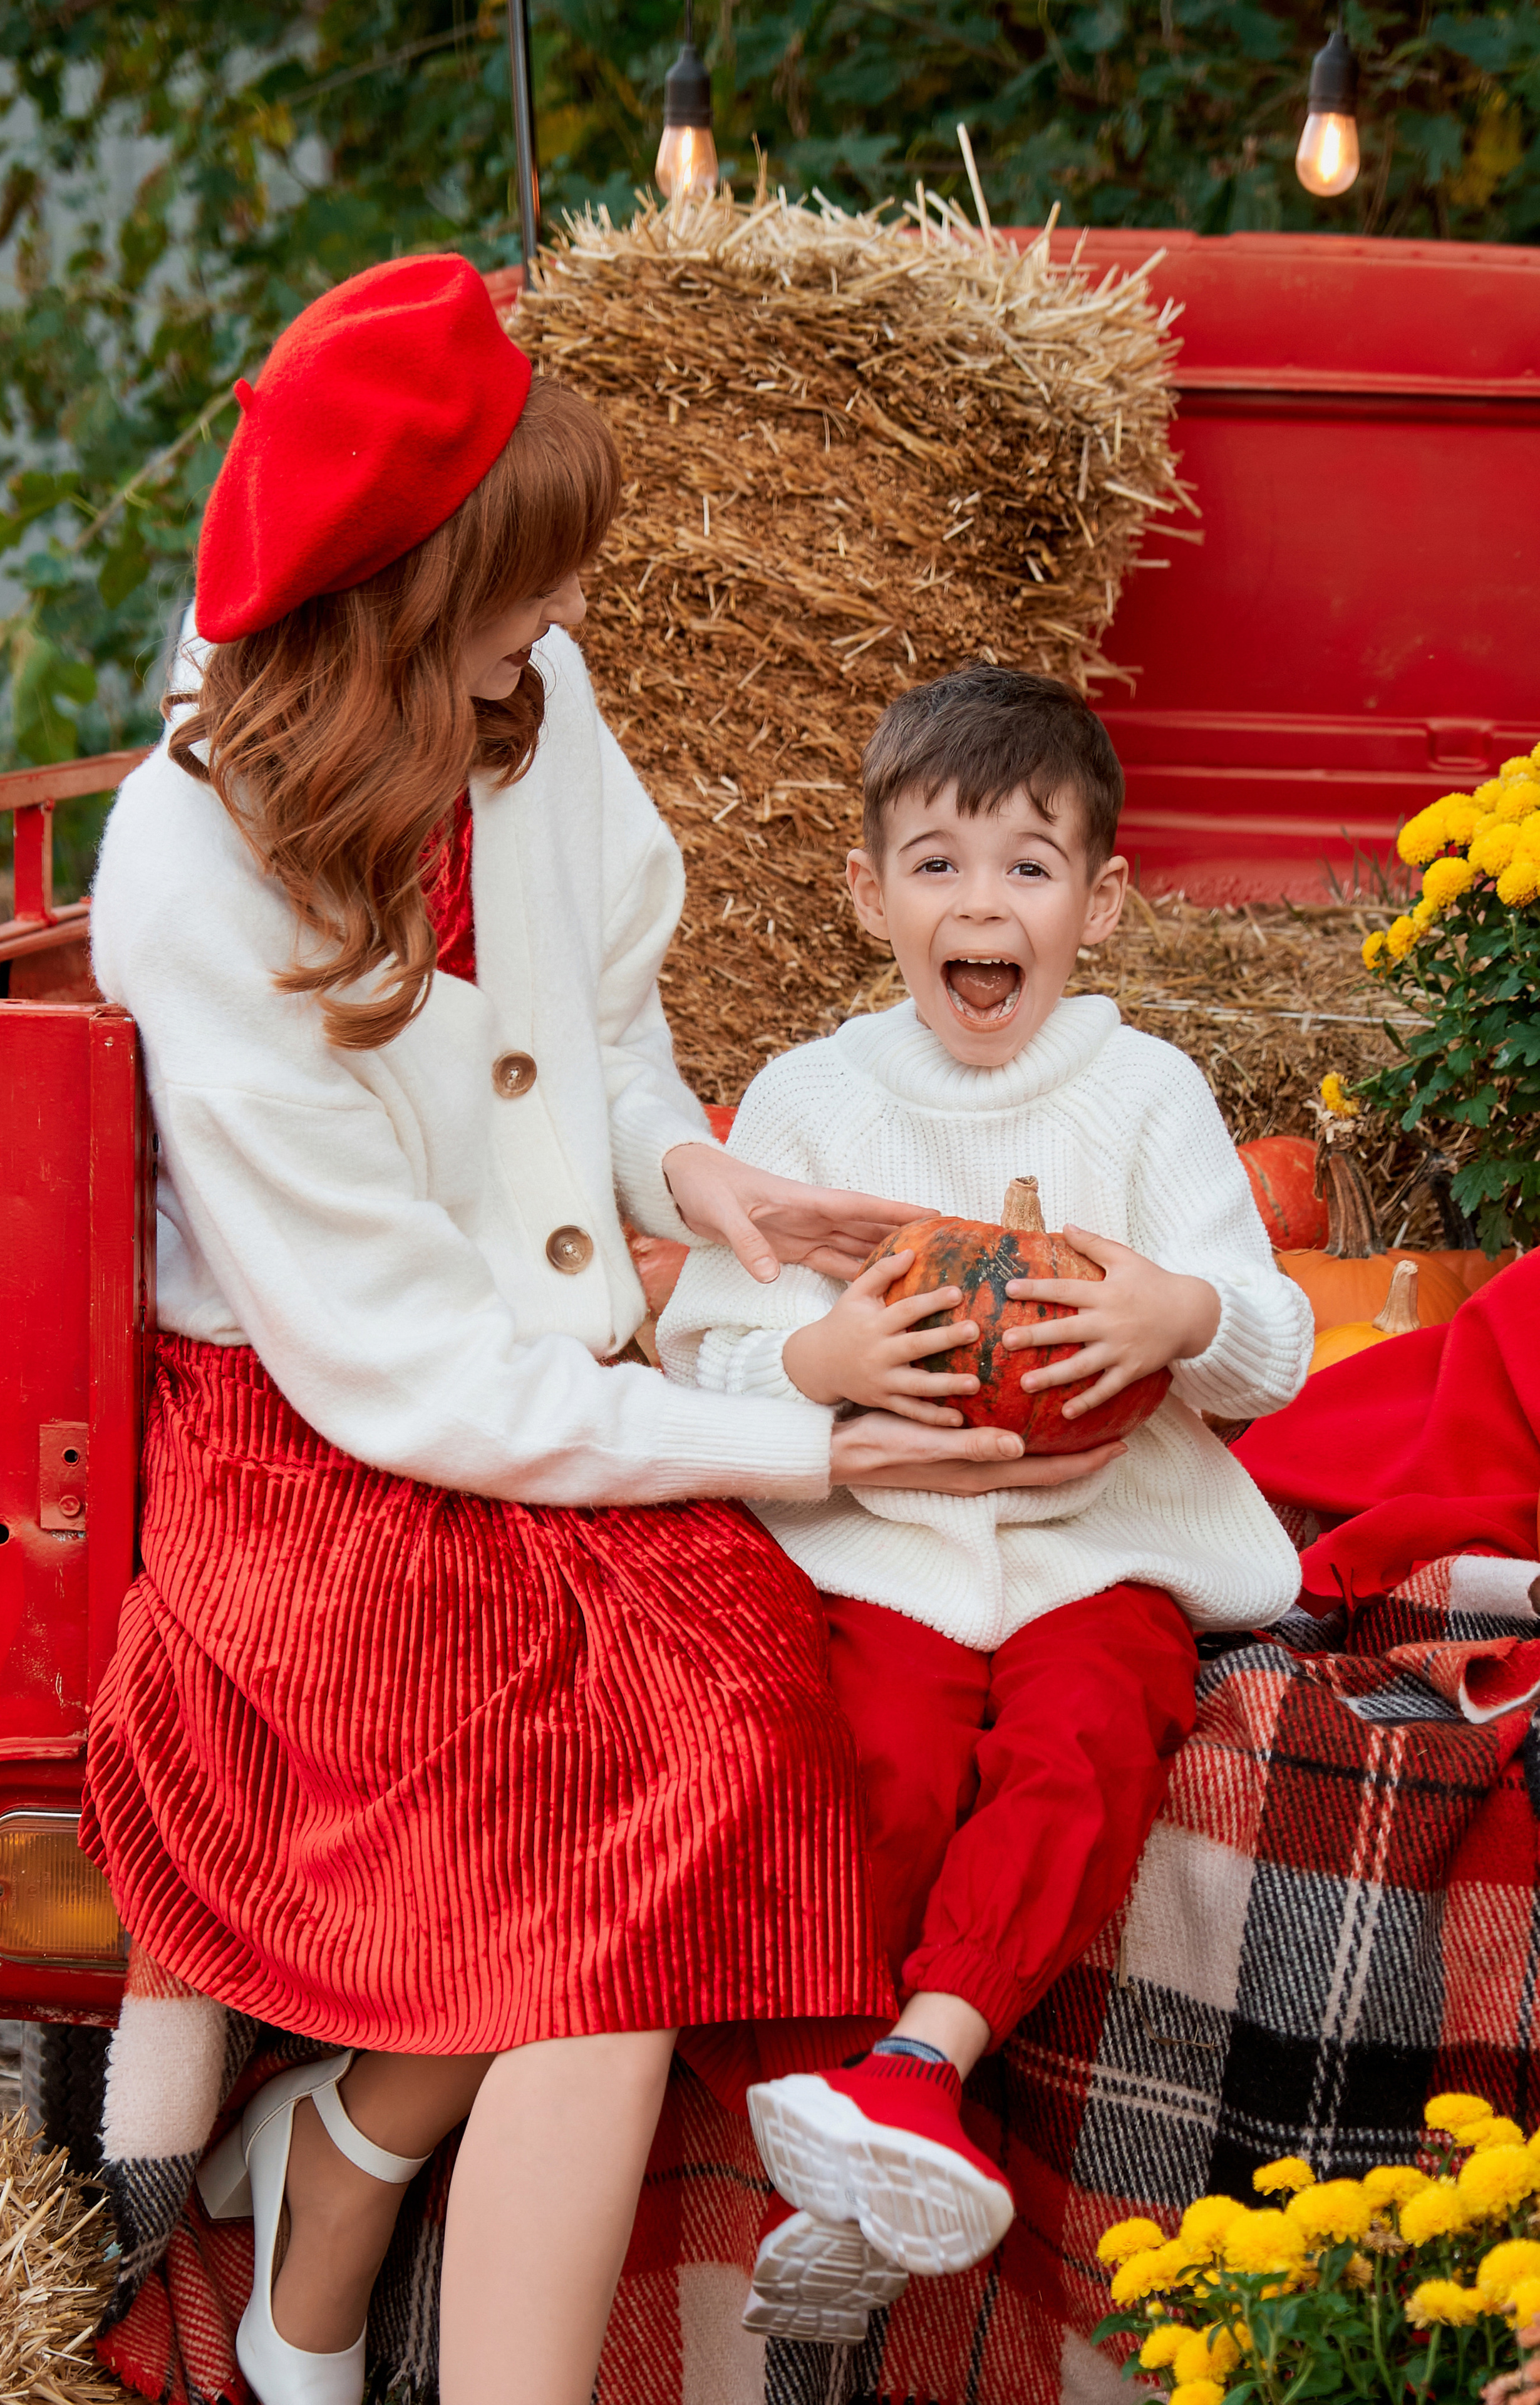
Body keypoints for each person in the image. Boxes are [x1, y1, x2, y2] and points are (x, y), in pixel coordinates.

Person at [80, 259, 1111, 2405]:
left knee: (725, 1710)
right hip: (320, 1447)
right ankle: (350, 2205)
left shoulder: (523, 694)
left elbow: (607, 1022)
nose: (565, 621)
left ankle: (347, 2174)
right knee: (603, 1796)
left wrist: (697, 1177)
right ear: (397, 601)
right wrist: (809, 1444)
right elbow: (406, 1373)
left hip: (537, 1388)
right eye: (524, 587)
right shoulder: (196, 874)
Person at [658, 664, 1312, 2339]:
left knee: (1084, 1748)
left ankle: (918, 2064)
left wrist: (1181, 1314)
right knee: (870, 1766)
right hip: (887, 1551)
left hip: (1103, 1544)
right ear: (867, 891)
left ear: (1101, 901)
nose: (981, 902)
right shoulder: (810, 1098)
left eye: (1029, 864)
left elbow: (1274, 1340)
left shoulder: (1145, 1092)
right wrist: (819, 1359)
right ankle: (852, 2143)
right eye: (937, 862)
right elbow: (703, 1347)